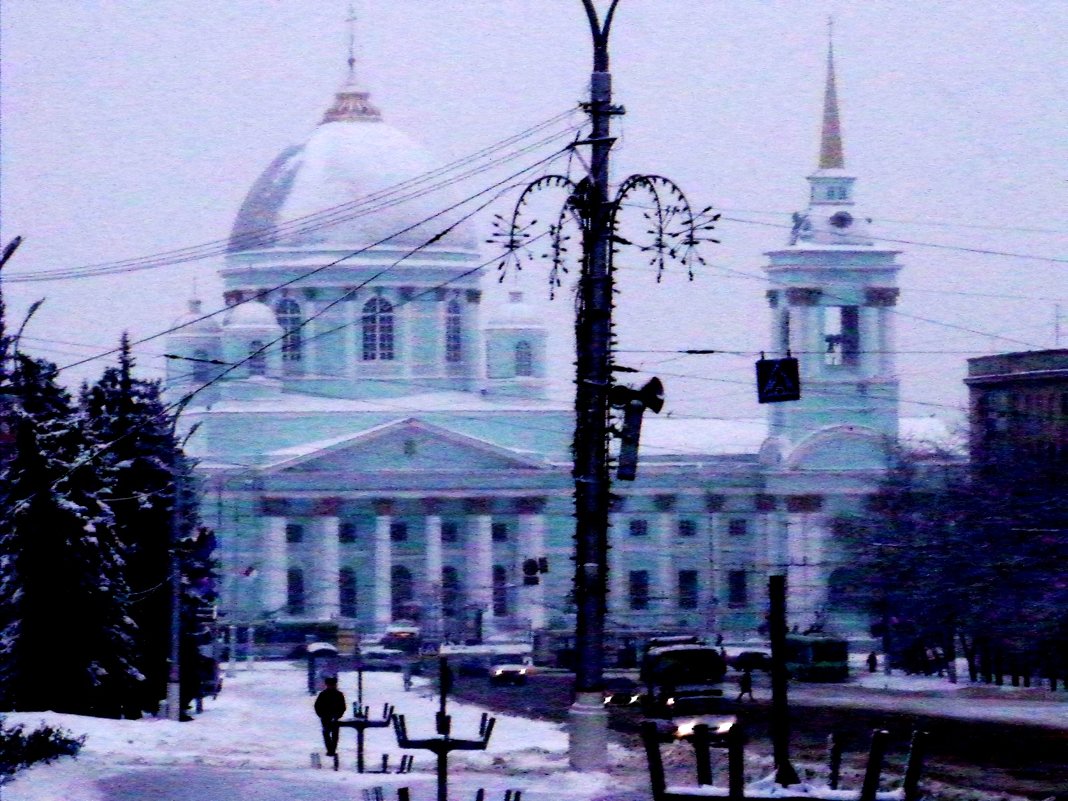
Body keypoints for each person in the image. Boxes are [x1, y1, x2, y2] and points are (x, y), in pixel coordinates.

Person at [313, 676, 346, 757]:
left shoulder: (338, 694)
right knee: (328, 734)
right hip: (326, 717)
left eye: (332, 684)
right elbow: (317, 706)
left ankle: (332, 750)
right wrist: (322, 715)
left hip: (333, 717)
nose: (331, 686)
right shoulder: (324, 694)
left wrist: (337, 715)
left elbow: (342, 707)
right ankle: (330, 750)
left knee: (333, 735)